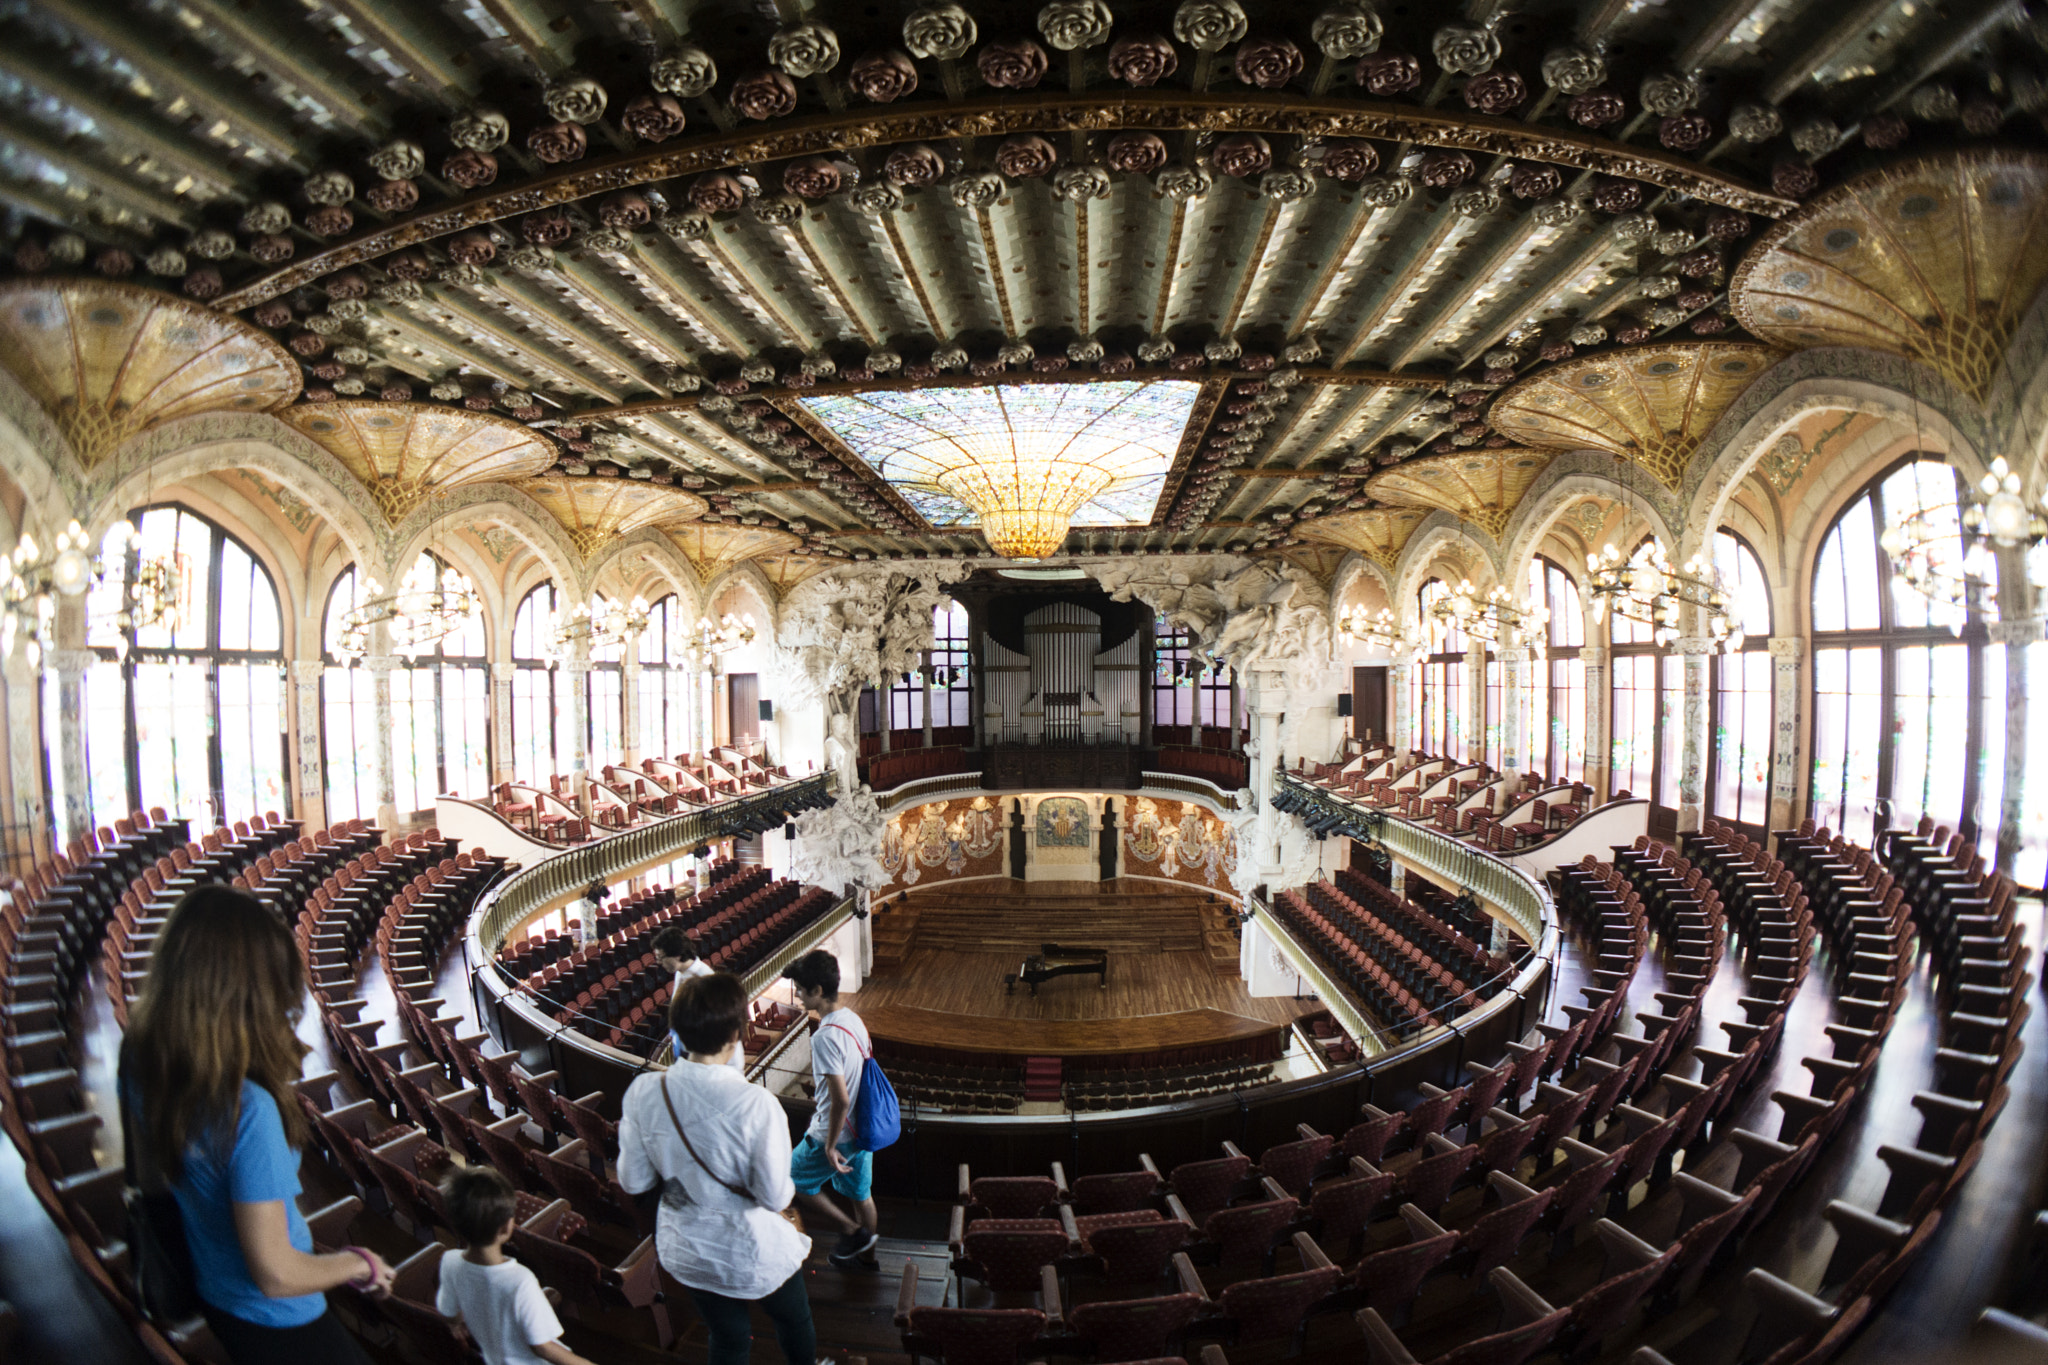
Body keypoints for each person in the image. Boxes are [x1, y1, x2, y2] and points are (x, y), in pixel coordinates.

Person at [123, 885, 395, 1365]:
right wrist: (359, 1262)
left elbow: (151, 1183)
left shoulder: (140, 1054)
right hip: (281, 1322)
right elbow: (276, 1274)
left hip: (214, 1292)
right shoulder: (247, 1109)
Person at [617, 973, 816, 1365]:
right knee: (794, 1319)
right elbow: (775, 1196)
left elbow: (634, 1180)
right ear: (736, 1035)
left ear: (676, 1032)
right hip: (751, 1248)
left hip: (687, 1247)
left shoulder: (644, 1092)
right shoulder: (757, 1105)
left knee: (728, 1337)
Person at [436, 1166, 598, 1365]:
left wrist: (456, 1323)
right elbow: (543, 1347)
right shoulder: (520, 1281)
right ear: (506, 1227)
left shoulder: (449, 1262)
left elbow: (448, 1311)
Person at [782, 949, 878, 1269]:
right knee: (861, 1195)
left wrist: (829, 1145)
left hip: (835, 1132)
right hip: (862, 1130)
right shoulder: (853, 1019)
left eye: (800, 988)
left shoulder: (824, 1037)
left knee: (793, 1180)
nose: (797, 994)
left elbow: (841, 1099)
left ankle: (852, 1232)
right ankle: (867, 1260)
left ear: (818, 991)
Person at [653, 928, 744, 1072]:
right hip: (685, 1046)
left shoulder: (704, 978)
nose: (658, 962)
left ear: (677, 955)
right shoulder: (680, 973)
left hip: (708, 1060)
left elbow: (722, 1025)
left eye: (660, 957)